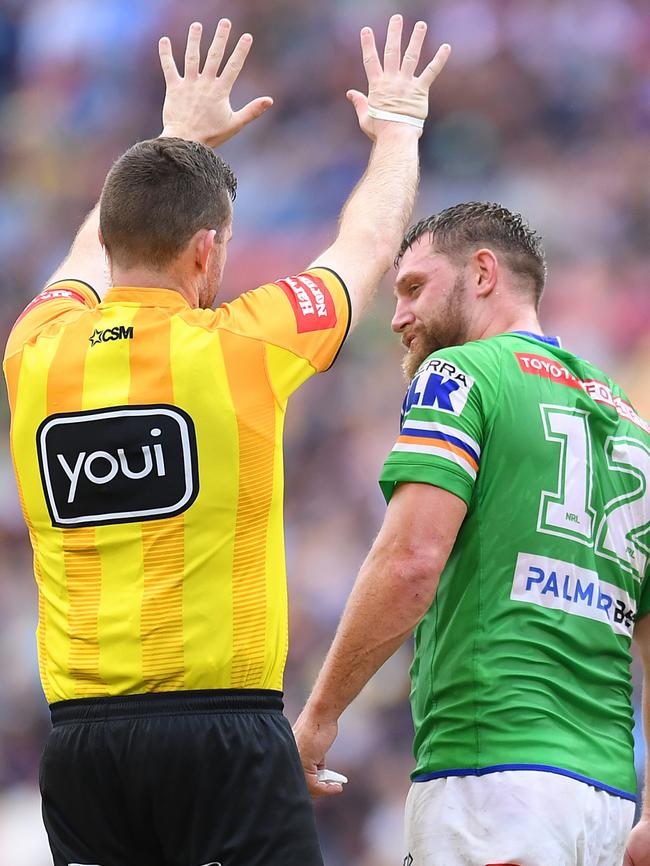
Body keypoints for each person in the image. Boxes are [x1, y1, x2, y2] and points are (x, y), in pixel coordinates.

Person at [2, 13, 450, 866]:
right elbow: (366, 246)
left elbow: (83, 251)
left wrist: (173, 138)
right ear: (207, 251)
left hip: (80, 749)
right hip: (220, 732)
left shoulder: (34, 346)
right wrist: (398, 129)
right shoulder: (240, 343)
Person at [294, 202, 650, 866]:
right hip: (604, 800)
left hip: (492, 778)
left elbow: (410, 563)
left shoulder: (461, 376)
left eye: (413, 288)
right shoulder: (631, 424)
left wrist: (318, 719)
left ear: (482, 272)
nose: (398, 316)